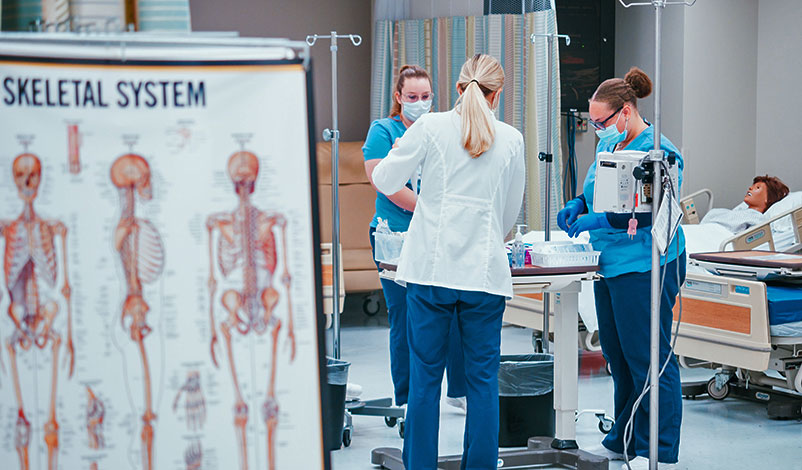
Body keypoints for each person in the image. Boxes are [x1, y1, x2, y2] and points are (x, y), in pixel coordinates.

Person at [372, 54, 525, 470]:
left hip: (430, 273)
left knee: (424, 381)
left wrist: (427, 202)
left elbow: (384, 179)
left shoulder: (430, 127)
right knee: (481, 383)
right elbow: (508, 214)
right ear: (498, 93)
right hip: (484, 276)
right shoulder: (511, 138)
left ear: (458, 88)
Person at [557, 67, 685, 470]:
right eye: (593, 122)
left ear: (626, 112)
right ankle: (624, 437)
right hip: (611, 264)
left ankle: (659, 448)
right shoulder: (609, 147)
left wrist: (599, 221)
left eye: (601, 121)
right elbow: (600, 189)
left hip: (647, 264)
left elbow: (652, 215)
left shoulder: (659, 152)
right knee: (616, 353)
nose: (596, 129)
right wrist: (580, 204)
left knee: (647, 356)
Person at [362, 65, 467, 412]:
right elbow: (383, 181)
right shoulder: (384, 130)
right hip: (393, 234)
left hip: (436, 231)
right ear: (398, 97)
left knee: (451, 310)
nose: (420, 103)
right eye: (412, 97)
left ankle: (458, 390)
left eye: (426, 97)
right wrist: (429, 209)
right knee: (405, 315)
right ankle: (406, 398)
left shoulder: (438, 129)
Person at [700, 175, 790, 233]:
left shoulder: (759, 219)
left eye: (757, 188)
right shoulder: (736, 212)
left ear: (768, 199)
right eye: (752, 186)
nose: (750, 188)